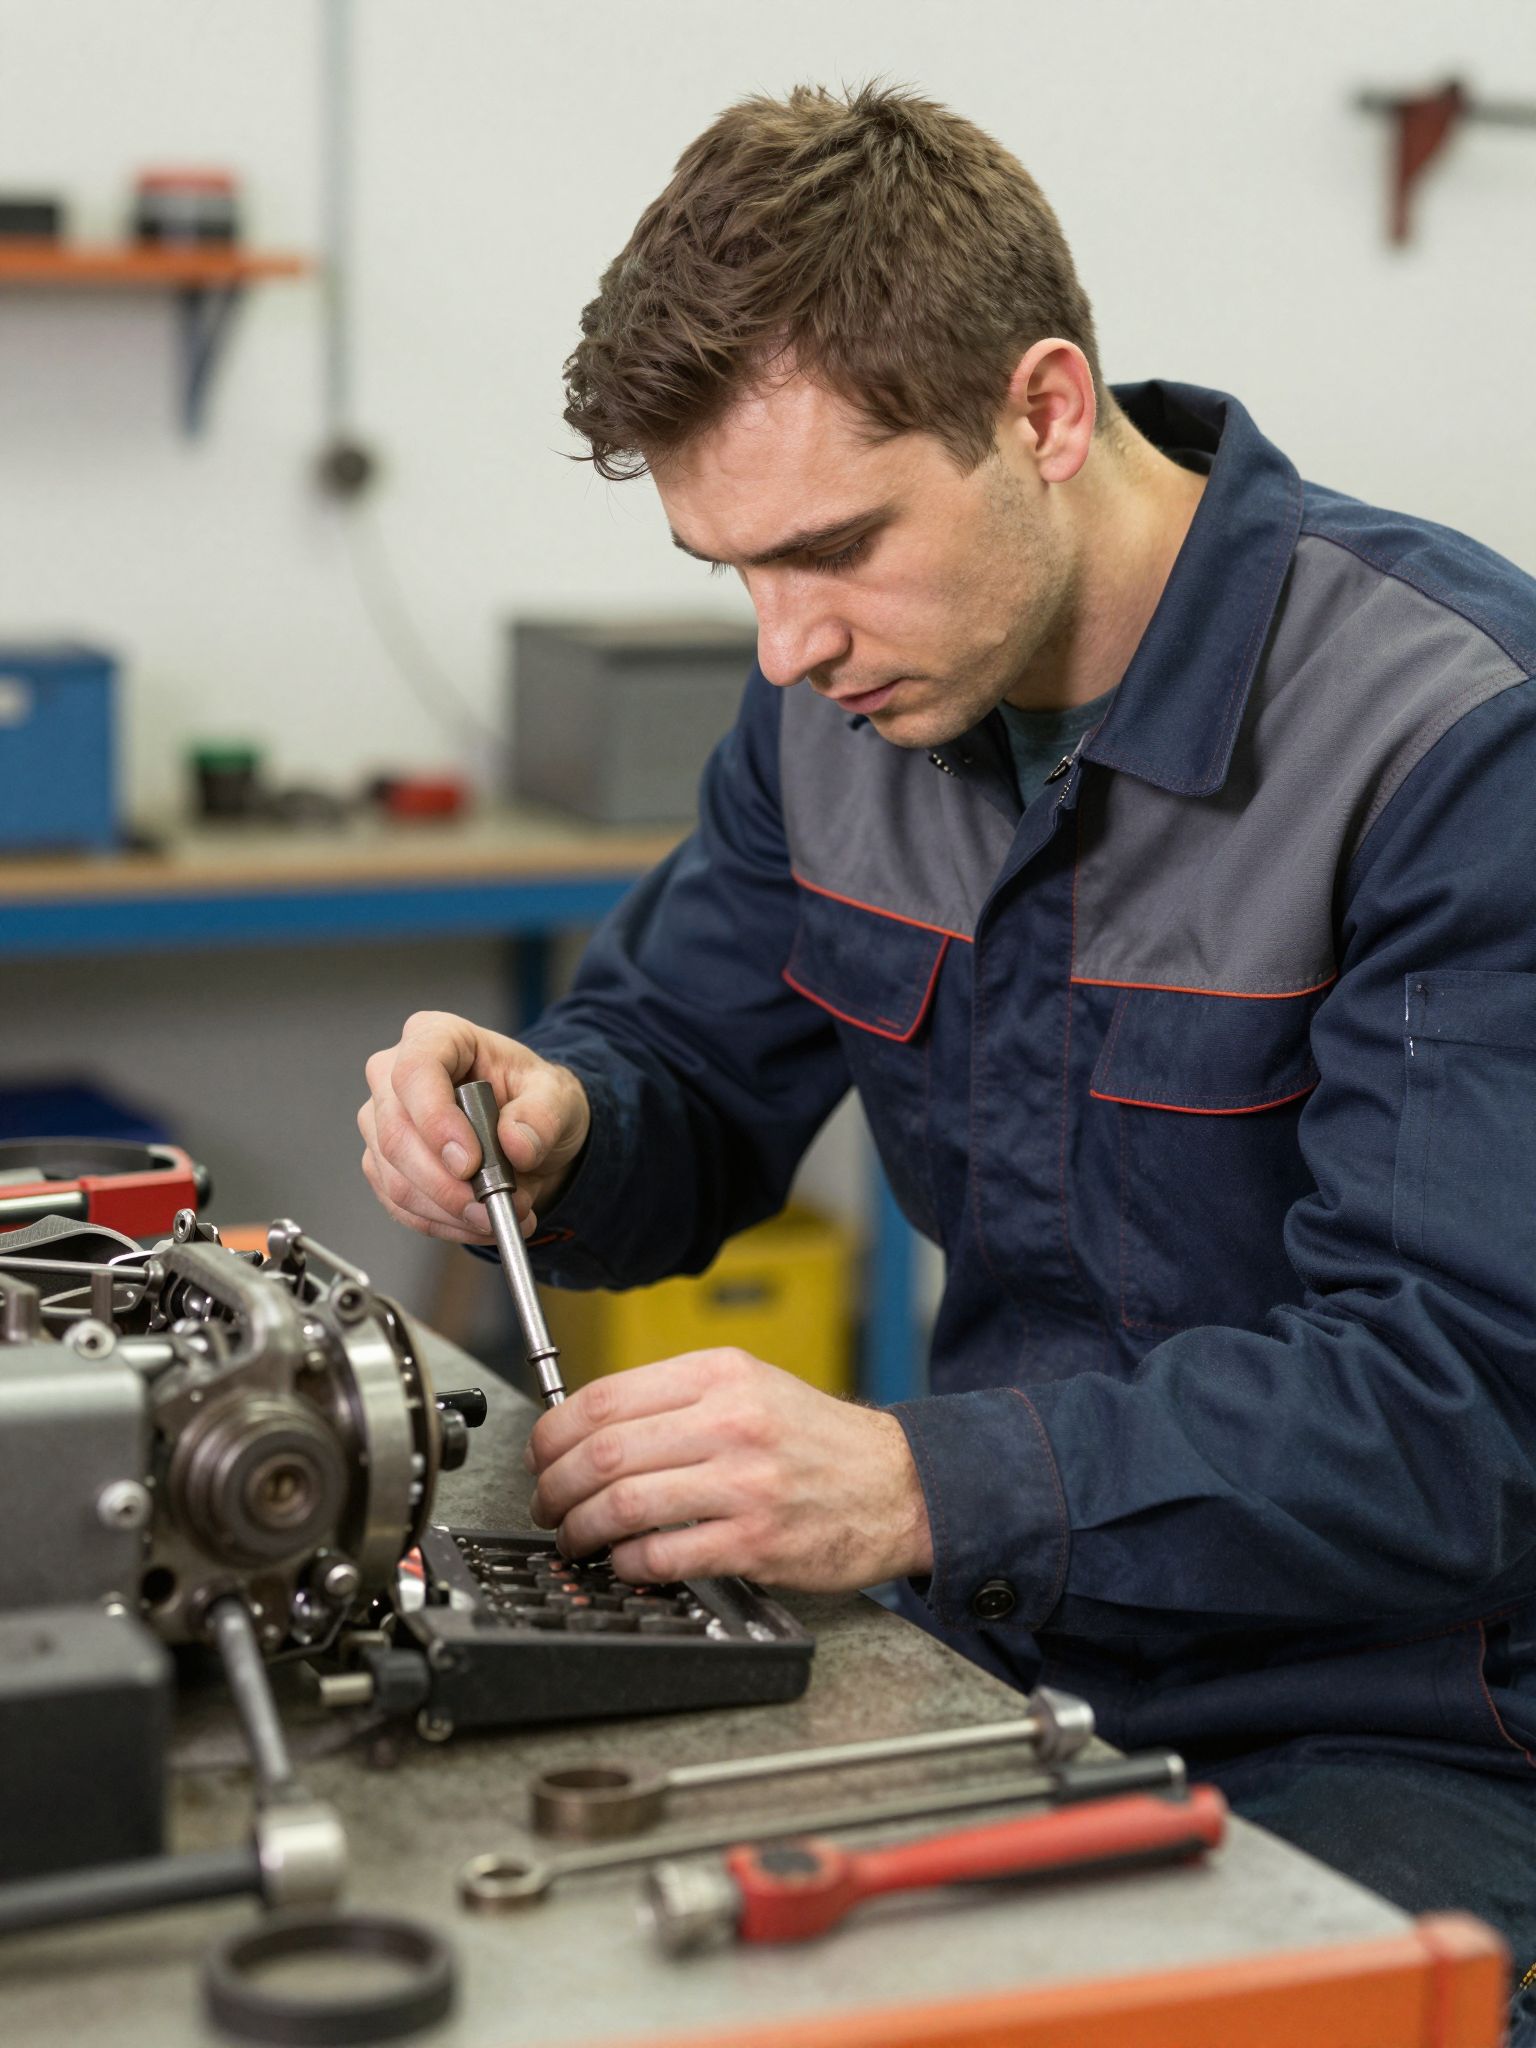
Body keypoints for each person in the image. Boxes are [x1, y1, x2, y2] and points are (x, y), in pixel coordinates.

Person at [359, 84, 1536, 2022]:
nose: (783, 649)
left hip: (1417, 1725)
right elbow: (679, 1068)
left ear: (1047, 414)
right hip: (1019, 1655)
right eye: (730, 570)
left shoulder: (1449, 743)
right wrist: (554, 1127)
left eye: (828, 547)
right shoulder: (842, 716)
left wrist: (917, 1486)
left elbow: (1463, 1407)